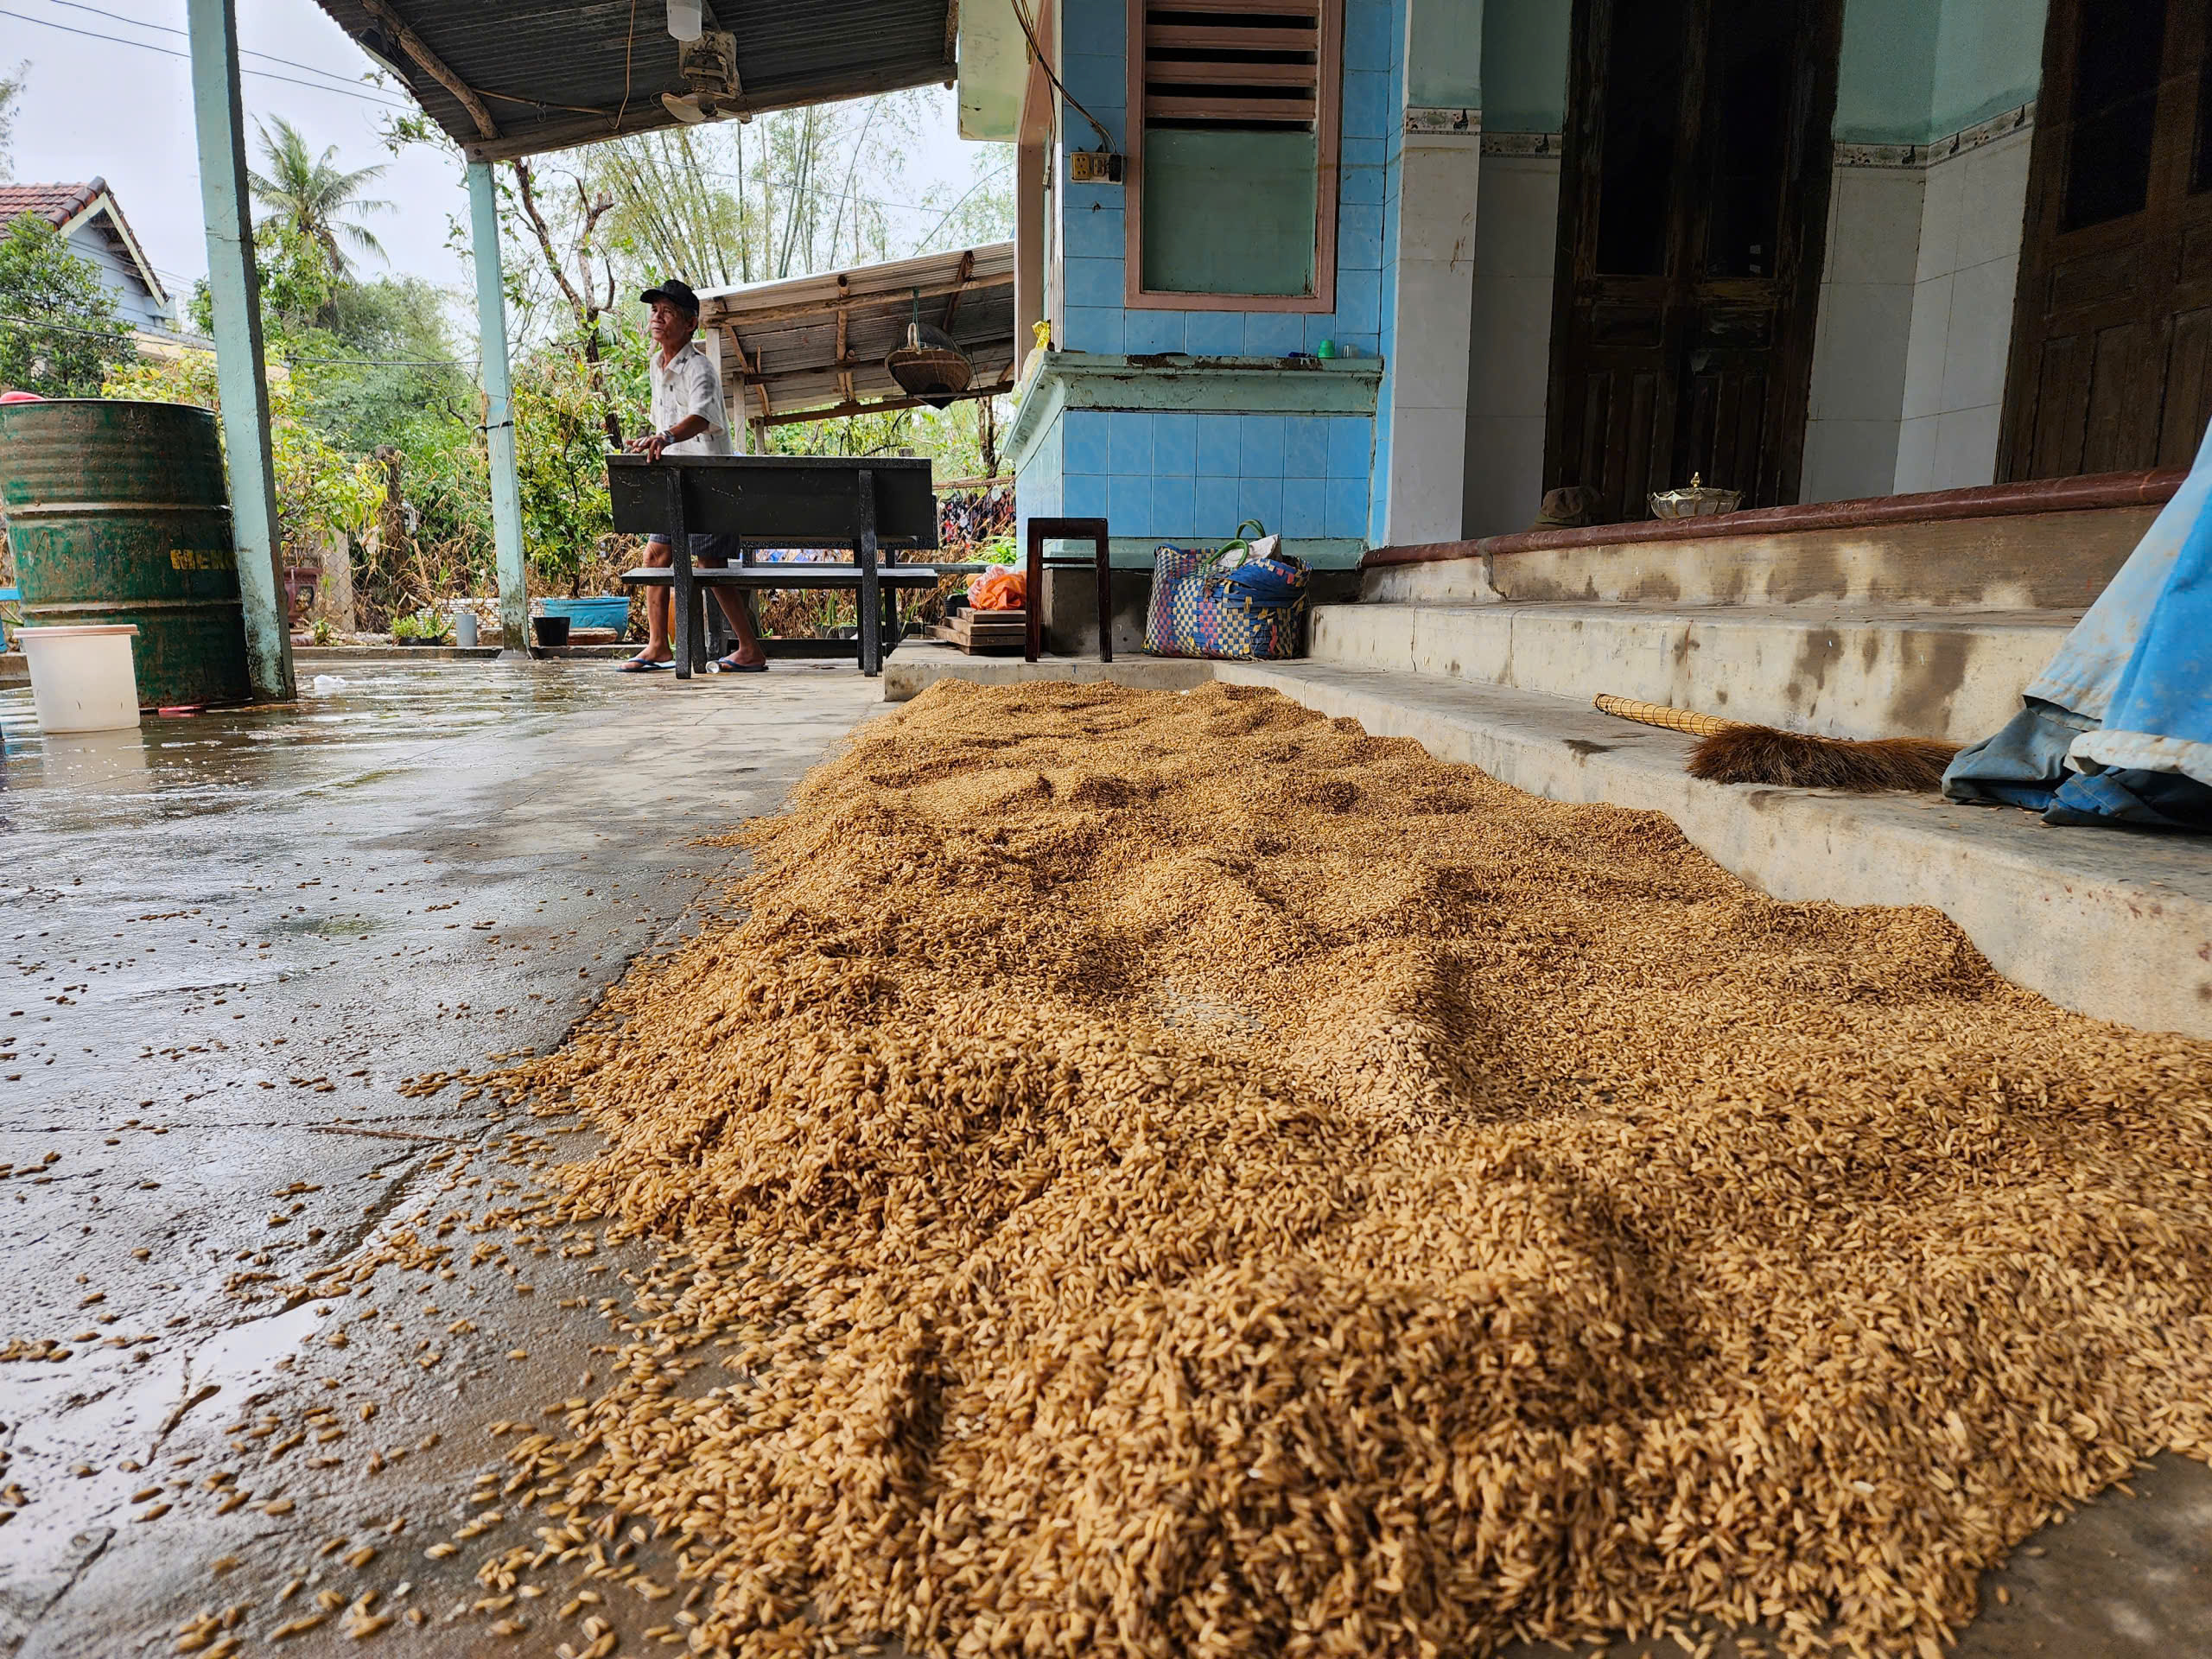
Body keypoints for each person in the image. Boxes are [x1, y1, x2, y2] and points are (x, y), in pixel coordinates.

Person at [619, 278, 768, 673]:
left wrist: (666, 436)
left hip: (708, 480)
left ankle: (750, 649)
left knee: (709, 564)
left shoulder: (700, 367)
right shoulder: (656, 366)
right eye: (654, 310)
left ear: (690, 324)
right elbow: (664, 422)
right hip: (675, 478)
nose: (657, 317)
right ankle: (658, 646)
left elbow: (701, 417)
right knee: (655, 555)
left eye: (667, 312)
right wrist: (654, 440)